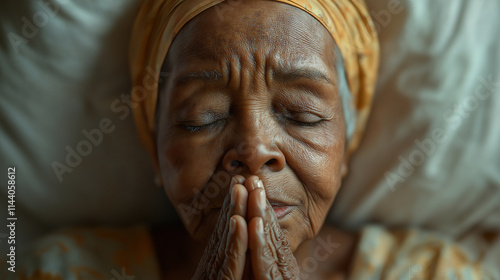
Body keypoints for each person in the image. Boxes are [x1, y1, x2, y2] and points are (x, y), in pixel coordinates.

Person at [10, 0, 493, 279]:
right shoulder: (56, 271)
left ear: (348, 144)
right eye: (203, 118)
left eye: (302, 115)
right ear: (154, 149)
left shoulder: (432, 274)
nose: (254, 148)